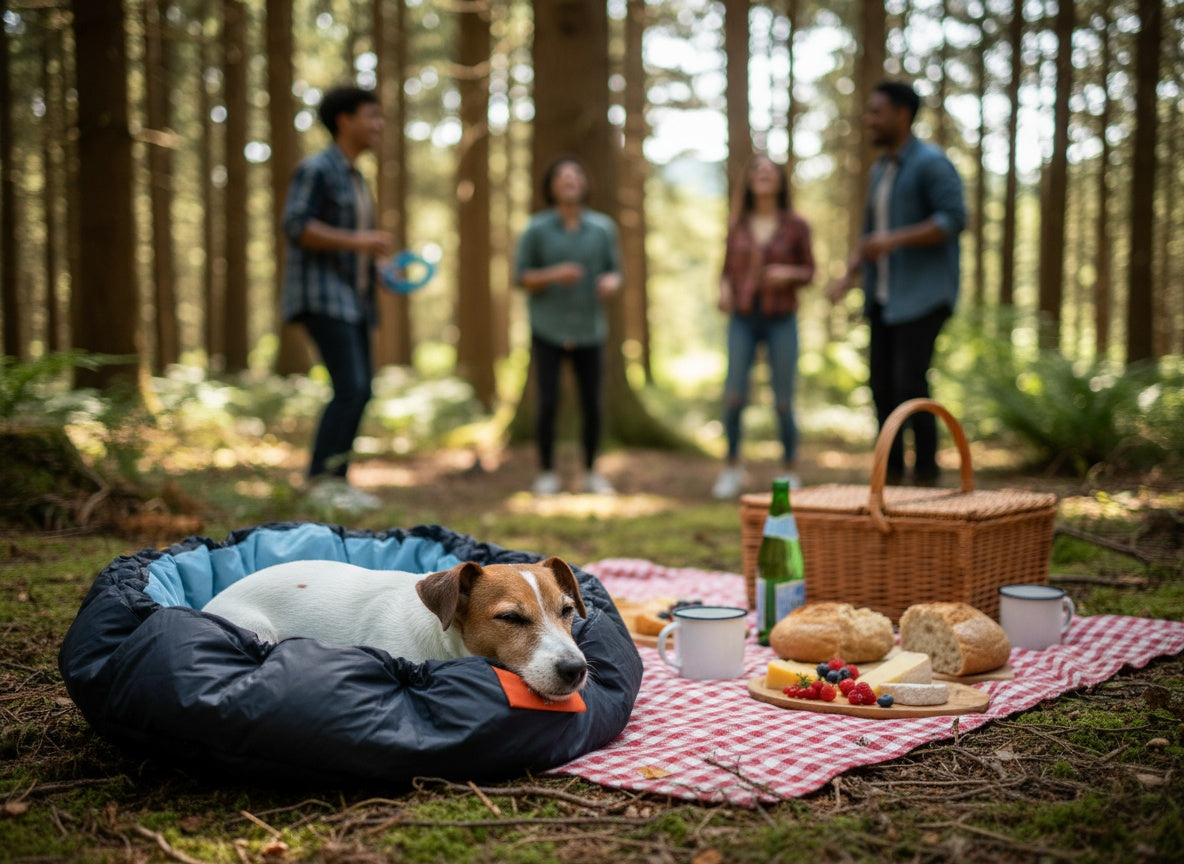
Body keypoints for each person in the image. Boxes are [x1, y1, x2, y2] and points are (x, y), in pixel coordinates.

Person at [826, 80, 966, 486]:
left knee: (910, 386)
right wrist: (848, 275)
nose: (868, 120)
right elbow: (870, 234)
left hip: (923, 296)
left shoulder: (931, 164)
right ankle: (886, 481)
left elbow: (953, 220)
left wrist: (896, 239)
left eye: (876, 112)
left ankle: (925, 478)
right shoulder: (881, 170)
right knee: (881, 389)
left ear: (902, 115)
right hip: (884, 298)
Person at [281, 85, 394, 512]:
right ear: (344, 120)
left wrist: (378, 268)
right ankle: (320, 480)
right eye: (371, 115)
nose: (378, 124)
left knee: (360, 391)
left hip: (355, 299)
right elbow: (295, 225)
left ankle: (336, 481)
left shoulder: (356, 177)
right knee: (350, 387)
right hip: (321, 297)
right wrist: (360, 241)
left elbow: (352, 245)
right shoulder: (318, 169)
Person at [514, 156, 623, 496]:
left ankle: (591, 471)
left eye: (576, 174)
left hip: (590, 328)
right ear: (550, 186)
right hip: (548, 328)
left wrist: (611, 283)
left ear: (586, 184)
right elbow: (521, 277)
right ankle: (546, 472)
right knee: (548, 402)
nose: (570, 179)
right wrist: (552, 275)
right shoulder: (535, 229)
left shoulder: (603, 229)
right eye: (562, 175)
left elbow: (616, 271)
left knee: (593, 403)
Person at [711, 155, 816, 500]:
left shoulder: (796, 225)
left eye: (770, 170)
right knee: (733, 395)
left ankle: (789, 470)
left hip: (781, 318)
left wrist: (788, 273)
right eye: (757, 169)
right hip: (743, 317)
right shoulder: (738, 224)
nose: (764, 174)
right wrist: (724, 289)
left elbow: (810, 272)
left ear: (781, 181)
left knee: (784, 399)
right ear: (749, 181)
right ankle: (731, 467)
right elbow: (726, 270)